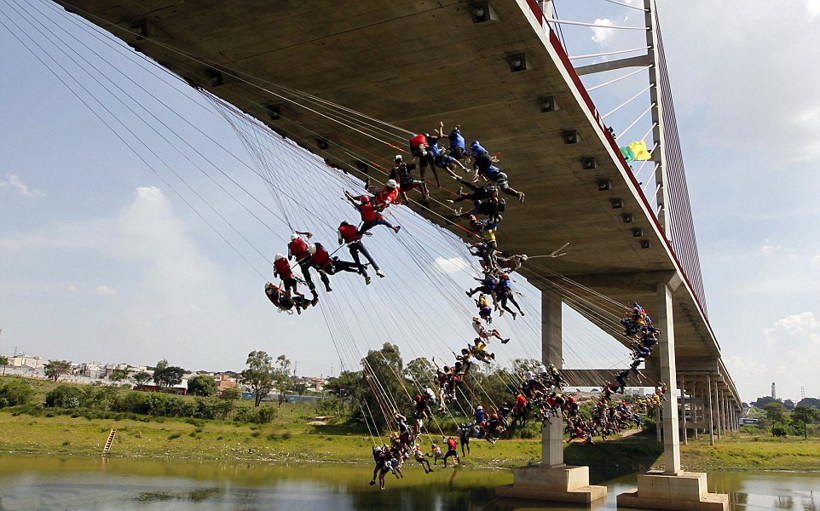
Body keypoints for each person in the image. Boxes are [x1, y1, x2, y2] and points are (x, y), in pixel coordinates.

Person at [287, 232, 320, 305]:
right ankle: (326, 282)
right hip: (309, 259)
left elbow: (289, 258)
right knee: (319, 268)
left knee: (308, 279)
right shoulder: (302, 239)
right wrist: (300, 233)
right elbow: (310, 234)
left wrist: (289, 248)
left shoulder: (290, 246)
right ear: (297, 237)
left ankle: (314, 294)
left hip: (302, 263)